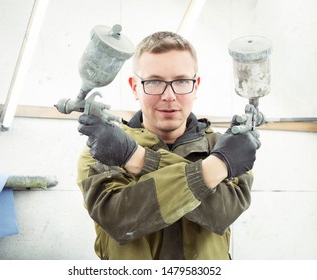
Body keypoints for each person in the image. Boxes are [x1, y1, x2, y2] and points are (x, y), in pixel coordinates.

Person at [77, 31, 260, 260]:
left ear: (196, 86)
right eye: (154, 82)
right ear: (135, 87)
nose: (169, 95)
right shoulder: (103, 147)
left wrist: (137, 159)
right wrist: (216, 167)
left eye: (182, 81)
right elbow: (120, 220)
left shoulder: (224, 145)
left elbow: (220, 215)